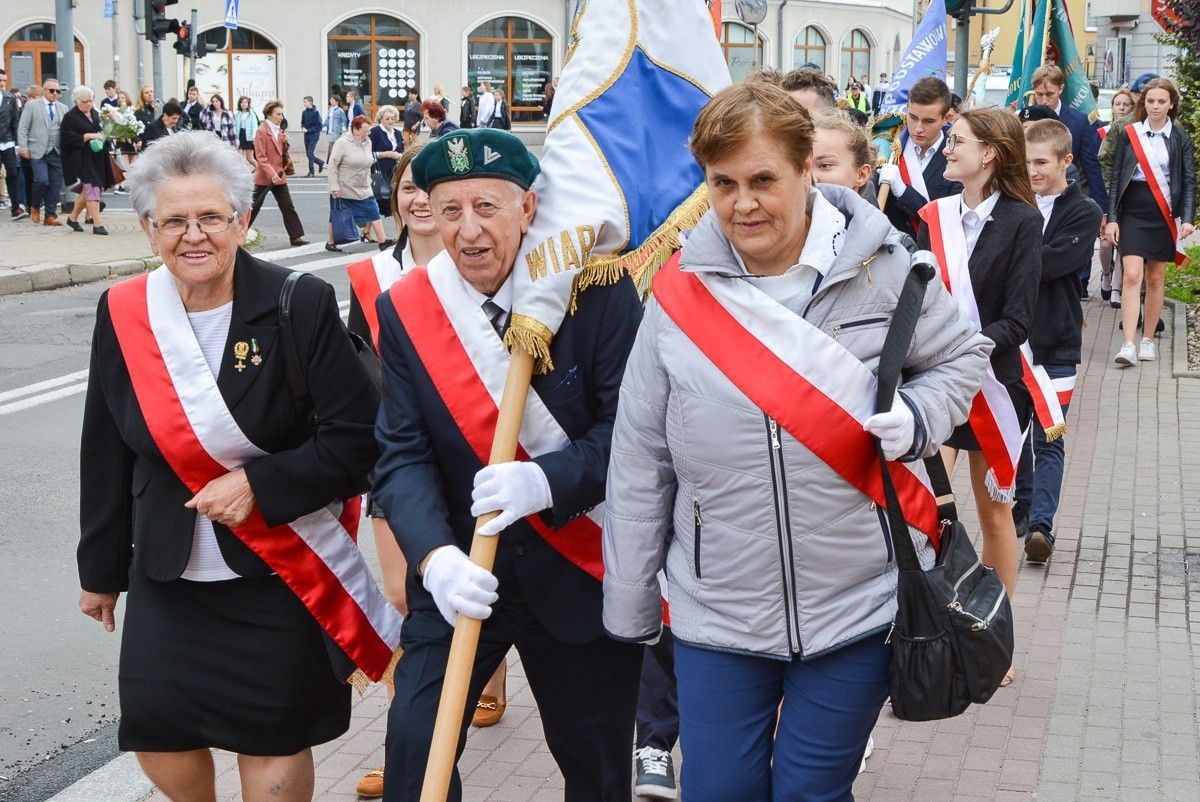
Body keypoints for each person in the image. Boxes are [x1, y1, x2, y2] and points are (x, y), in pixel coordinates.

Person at [602, 81, 990, 802]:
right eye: (723, 184)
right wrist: (628, 602)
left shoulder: (885, 268)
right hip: (717, 608)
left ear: (807, 167)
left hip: (857, 603)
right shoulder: (677, 294)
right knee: (718, 792)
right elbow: (640, 457)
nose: (743, 203)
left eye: (762, 180)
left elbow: (963, 356)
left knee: (811, 793)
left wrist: (920, 415)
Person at [78, 129, 387, 802]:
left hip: (275, 570)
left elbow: (358, 437)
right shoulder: (125, 311)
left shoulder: (294, 302)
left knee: (271, 735)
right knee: (158, 731)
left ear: (242, 223)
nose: (194, 236)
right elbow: (104, 446)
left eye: (212, 218)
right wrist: (99, 571)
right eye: (174, 221)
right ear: (149, 229)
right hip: (168, 572)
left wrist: (259, 483)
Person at [374, 128, 645, 801]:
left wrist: (546, 479)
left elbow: (636, 433)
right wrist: (434, 558)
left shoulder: (596, 290)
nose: (468, 231)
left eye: (487, 207)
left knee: (598, 772)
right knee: (415, 760)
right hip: (464, 576)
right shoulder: (408, 308)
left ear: (527, 209)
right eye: (449, 209)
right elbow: (400, 452)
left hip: (577, 570)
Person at [343, 143, 507, 799]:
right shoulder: (375, 282)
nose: (417, 199)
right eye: (410, 189)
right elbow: (363, 372)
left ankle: (482, 687)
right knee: (412, 599)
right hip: (409, 473)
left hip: (507, 490)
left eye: (427, 188)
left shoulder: (523, 275)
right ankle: (420, 741)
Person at [917, 109, 1042, 684]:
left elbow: (1018, 319)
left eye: (957, 140)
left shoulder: (1021, 220)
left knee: (995, 516)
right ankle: (929, 631)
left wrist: (963, 349)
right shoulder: (934, 217)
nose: (946, 148)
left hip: (991, 386)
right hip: (939, 387)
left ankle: (997, 641)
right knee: (925, 511)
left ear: (989, 152)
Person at [1013, 119, 1103, 563]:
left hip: (1056, 343)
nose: (1031, 171)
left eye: (1041, 163)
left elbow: (1056, 263)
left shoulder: (1083, 211)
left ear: (1066, 161)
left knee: (1049, 435)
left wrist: (1013, 260)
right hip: (1012, 341)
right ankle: (1022, 504)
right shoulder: (1013, 203)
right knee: (1013, 432)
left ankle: (1041, 527)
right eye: (1025, 161)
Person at [1105, 77, 1196, 366]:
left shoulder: (1179, 136)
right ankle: (1128, 344)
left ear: (1171, 105)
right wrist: (1113, 218)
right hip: (1133, 209)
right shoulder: (1130, 134)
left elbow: (1190, 179)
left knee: (1156, 278)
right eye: (1150, 101)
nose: (1155, 106)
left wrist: (1188, 217)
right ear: (1143, 103)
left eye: (1161, 101)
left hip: (1164, 212)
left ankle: (1148, 340)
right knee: (1132, 275)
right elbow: (1117, 177)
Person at [1031, 65, 1108, 295]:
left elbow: (1091, 164)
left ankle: (1080, 285)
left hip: (1072, 191)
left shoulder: (1078, 121)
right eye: (1040, 95)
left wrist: (1102, 207)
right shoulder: (1027, 116)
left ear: (1061, 89)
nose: (1044, 100)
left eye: (1050, 94)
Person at [877, 76, 963, 240]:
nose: (918, 128)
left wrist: (902, 191)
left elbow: (948, 217)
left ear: (947, 118)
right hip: (888, 251)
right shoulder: (888, 146)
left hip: (932, 254)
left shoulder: (957, 154)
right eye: (913, 117)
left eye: (928, 121)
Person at [325, 114, 391, 253]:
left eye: (369, 131)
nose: (367, 134)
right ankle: (330, 242)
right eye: (365, 131)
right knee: (337, 214)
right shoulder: (342, 143)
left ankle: (382, 241)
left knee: (373, 210)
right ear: (355, 129)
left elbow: (368, 160)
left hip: (363, 185)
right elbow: (332, 165)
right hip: (345, 187)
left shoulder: (368, 142)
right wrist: (334, 187)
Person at [249, 100, 307, 246]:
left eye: (282, 114)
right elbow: (261, 158)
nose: (281, 117)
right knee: (254, 206)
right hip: (265, 177)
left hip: (279, 175)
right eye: (278, 114)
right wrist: (271, 174)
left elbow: (282, 154)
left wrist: (286, 142)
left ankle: (296, 236)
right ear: (269, 115)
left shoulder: (279, 131)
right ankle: (239, 233)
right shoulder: (261, 131)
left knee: (287, 205)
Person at [60, 85, 114, 235]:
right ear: (77, 101)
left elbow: (104, 131)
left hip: (98, 158)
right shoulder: (70, 117)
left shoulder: (97, 114)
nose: (89, 104)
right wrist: (89, 136)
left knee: (87, 190)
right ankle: (98, 224)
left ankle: (72, 218)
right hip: (81, 159)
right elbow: (66, 139)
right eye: (85, 101)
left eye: (91, 100)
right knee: (93, 188)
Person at [1098, 88, 1135, 307]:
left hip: (1124, 197)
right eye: (1117, 104)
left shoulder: (1132, 131)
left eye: (1125, 105)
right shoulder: (1101, 131)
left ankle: (1116, 289)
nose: (1121, 108)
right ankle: (1105, 274)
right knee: (1104, 245)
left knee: (1122, 245)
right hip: (1104, 195)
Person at [17, 78, 68, 226]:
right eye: (52, 91)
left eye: (58, 91)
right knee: (41, 180)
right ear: (44, 91)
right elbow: (23, 128)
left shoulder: (63, 108)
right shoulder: (32, 105)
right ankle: (34, 206)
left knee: (55, 184)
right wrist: (23, 148)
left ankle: (50, 215)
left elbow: (66, 130)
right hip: (37, 151)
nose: (55, 94)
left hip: (56, 151)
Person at [812, 112, 878, 207]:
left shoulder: (874, 221)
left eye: (825, 165)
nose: (811, 178)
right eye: (803, 167)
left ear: (861, 175)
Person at [0, 69, 27, 220]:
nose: (2, 84)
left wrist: (17, 145)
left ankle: (16, 208)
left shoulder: (10, 98)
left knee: (13, 174)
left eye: (4, 80)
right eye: (0, 81)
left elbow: (15, 122)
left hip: (8, 142)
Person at [371, 105, 403, 216]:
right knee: (378, 203)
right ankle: (368, 230)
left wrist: (399, 155)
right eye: (387, 119)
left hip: (395, 171)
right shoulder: (374, 132)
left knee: (396, 204)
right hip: (380, 171)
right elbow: (368, 153)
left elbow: (401, 151)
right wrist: (385, 154)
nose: (390, 121)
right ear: (381, 119)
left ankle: (367, 231)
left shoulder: (398, 133)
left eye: (393, 119)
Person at [301, 96, 324, 176]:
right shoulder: (304, 112)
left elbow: (319, 126)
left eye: (305, 102)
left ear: (310, 102)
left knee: (310, 153)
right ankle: (320, 162)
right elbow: (302, 123)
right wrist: (303, 127)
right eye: (303, 102)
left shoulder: (316, 113)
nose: (304, 103)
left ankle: (311, 172)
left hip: (314, 136)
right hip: (306, 136)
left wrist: (309, 130)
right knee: (308, 154)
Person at [233, 95, 260, 165]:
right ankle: (243, 172)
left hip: (249, 137)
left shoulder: (252, 113)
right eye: (242, 102)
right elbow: (235, 126)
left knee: (250, 158)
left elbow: (255, 126)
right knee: (240, 157)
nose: (243, 104)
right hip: (240, 135)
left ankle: (259, 170)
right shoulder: (237, 114)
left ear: (248, 104)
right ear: (239, 104)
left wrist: (254, 136)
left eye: (245, 102)